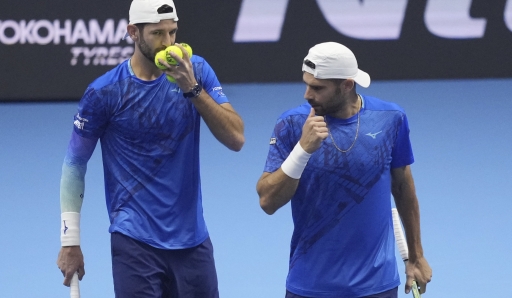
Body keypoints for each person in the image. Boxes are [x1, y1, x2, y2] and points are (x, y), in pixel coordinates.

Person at [56, 0, 245, 296]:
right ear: (133, 32)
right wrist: (70, 240)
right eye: (157, 33)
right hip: (134, 241)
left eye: (172, 33)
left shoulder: (196, 71)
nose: (168, 44)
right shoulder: (105, 92)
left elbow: (236, 138)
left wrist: (192, 89)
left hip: (192, 241)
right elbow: (75, 164)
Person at [256, 42, 432, 298]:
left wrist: (416, 257)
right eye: (306, 84)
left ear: (347, 85)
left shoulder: (391, 119)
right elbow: (267, 201)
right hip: (310, 286)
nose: (307, 95)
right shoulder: (292, 124)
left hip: (376, 286)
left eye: (317, 88)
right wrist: (302, 150)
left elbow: (403, 188)